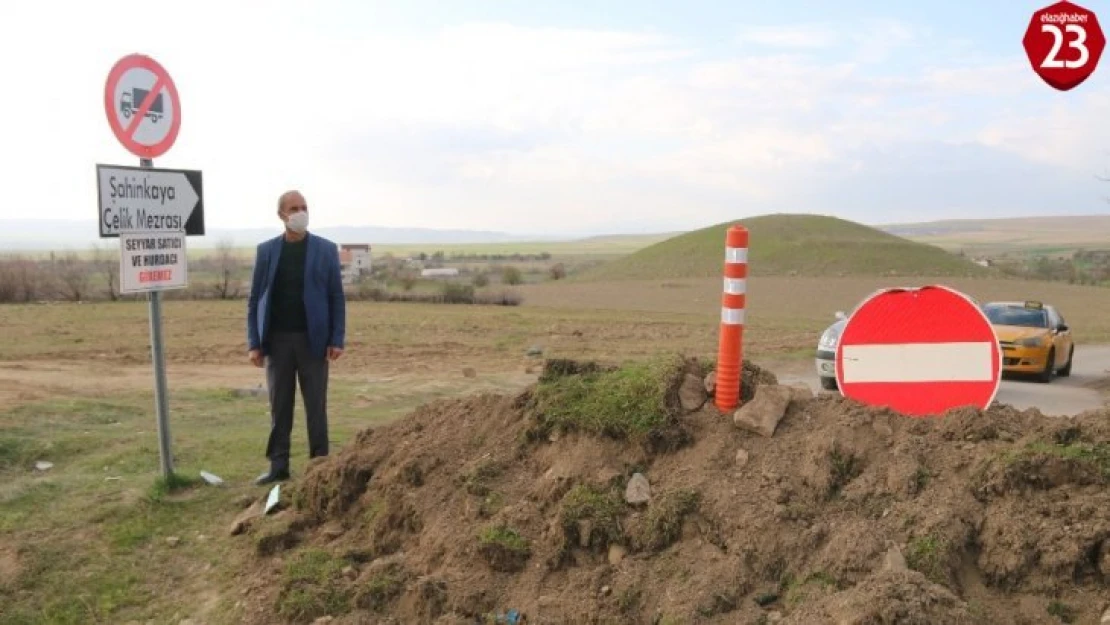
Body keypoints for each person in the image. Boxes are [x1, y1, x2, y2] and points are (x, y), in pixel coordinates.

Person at [246, 190, 346, 485]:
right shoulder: (266, 251)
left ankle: (320, 465)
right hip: (276, 342)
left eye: (304, 207)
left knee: (316, 406)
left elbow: (336, 296)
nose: (300, 212)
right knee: (280, 407)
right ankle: (279, 466)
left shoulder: (325, 249)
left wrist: (337, 338)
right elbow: (254, 299)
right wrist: (254, 342)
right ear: (282, 215)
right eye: (294, 208)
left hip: (313, 341)